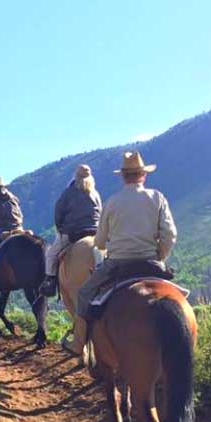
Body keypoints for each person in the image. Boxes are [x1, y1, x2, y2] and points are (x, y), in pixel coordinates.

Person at [71, 151, 177, 353]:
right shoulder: (157, 198)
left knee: (84, 293)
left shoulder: (112, 202)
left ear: (122, 176)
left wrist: (111, 244)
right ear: (143, 175)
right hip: (151, 261)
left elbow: (100, 242)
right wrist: (159, 256)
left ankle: (78, 344)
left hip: (117, 263)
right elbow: (170, 234)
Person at [40, 164, 102, 297]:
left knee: (51, 254)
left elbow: (58, 213)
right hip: (96, 231)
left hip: (73, 231)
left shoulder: (68, 192)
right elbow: (100, 212)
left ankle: (50, 282)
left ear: (75, 176)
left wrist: (60, 229)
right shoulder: (95, 193)